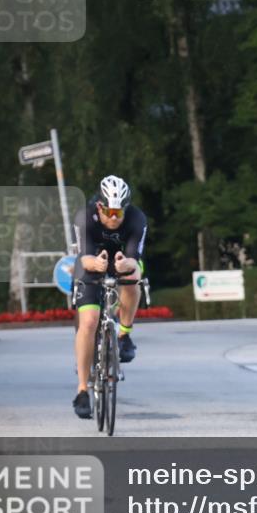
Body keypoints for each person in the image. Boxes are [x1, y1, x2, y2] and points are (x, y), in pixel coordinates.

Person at [71, 175, 147, 419]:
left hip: (122, 262)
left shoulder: (137, 219)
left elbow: (135, 258)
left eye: (119, 213)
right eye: (109, 212)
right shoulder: (86, 217)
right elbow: (83, 257)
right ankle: (82, 389)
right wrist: (96, 263)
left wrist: (124, 264)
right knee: (89, 322)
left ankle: (124, 334)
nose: (114, 218)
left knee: (134, 275)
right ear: (100, 206)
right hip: (91, 263)